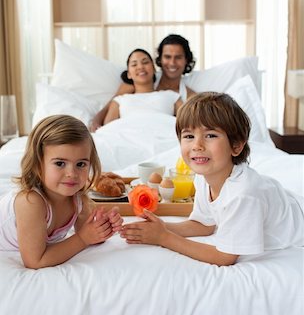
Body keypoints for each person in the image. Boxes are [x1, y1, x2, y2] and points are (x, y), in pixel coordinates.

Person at [121, 92, 304, 266]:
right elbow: (204, 224)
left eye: (210, 135)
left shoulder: (243, 193)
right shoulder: (203, 178)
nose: (197, 145)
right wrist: (164, 227)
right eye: (189, 136)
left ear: (236, 146)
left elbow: (224, 257)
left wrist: (164, 237)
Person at [0, 115, 123, 269]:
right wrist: (82, 238)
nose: (72, 173)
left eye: (81, 164)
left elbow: (90, 236)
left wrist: (102, 227)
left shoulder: (79, 198)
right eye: (60, 163)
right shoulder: (30, 202)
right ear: (38, 165)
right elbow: (34, 261)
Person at [90, 34, 196, 131]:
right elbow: (111, 108)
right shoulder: (141, 79)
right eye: (167, 57)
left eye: (178, 57)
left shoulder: (185, 96)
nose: (172, 63)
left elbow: (189, 124)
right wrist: (96, 121)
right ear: (160, 59)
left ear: (186, 60)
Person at [103, 48, 183, 124]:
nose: (140, 67)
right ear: (129, 74)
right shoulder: (120, 101)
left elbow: (188, 121)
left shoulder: (172, 96)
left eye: (145, 62)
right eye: (134, 64)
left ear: (154, 68)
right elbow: (107, 130)